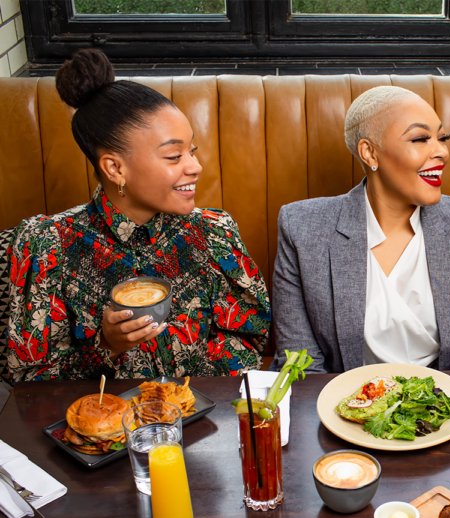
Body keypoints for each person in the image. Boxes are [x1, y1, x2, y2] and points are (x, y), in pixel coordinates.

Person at [6, 49, 271, 381]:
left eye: (192, 150)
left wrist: (183, 399)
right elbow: (28, 382)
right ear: (115, 168)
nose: (195, 167)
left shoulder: (214, 231)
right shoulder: (46, 245)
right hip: (105, 428)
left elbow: (250, 335)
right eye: (173, 155)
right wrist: (106, 345)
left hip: (202, 421)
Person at [271, 86, 450, 373]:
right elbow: (300, 356)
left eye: (443, 138)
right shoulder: (301, 226)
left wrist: (443, 393)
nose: (442, 151)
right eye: (420, 138)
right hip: (341, 402)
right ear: (369, 152)